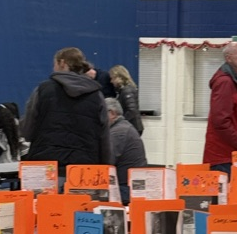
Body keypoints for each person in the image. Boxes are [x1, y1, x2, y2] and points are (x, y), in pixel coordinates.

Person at [22, 46, 111, 178]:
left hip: (46, 163)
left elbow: (27, 130)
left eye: (54, 64)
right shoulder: (97, 95)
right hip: (84, 168)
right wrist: (105, 166)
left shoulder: (42, 90)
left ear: (62, 63)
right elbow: (104, 136)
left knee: (45, 199)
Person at [202, 41, 237, 174]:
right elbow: (220, 121)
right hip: (225, 157)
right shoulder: (225, 82)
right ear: (228, 58)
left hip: (234, 156)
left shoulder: (235, 81)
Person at [106, 97, 147, 203]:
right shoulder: (125, 128)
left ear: (112, 113)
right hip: (133, 187)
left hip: (125, 190)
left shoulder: (118, 133)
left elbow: (106, 162)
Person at [109, 64, 143, 135]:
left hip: (133, 126)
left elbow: (132, 110)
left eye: (112, 78)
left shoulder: (127, 91)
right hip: (133, 126)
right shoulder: (124, 90)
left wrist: (121, 121)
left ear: (118, 77)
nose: (111, 81)